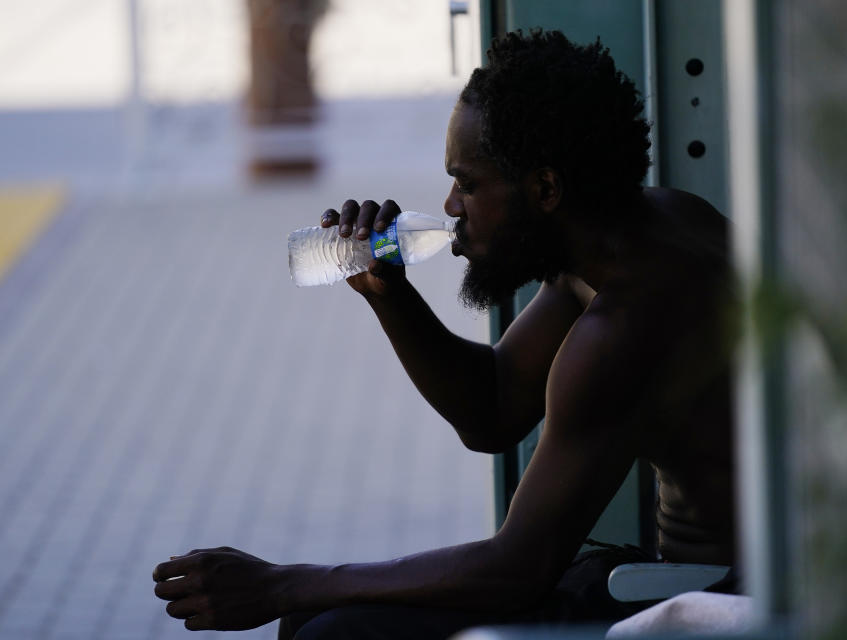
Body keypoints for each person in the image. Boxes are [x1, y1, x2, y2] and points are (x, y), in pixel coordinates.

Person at [152, 30, 738, 639]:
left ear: (544, 189)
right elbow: (494, 408)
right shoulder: (648, 224)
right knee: (315, 618)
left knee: (328, 632)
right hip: (677, 583)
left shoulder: (629, 324)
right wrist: (390, 295)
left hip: (715, 602)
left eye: (469, 182)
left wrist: (282, 583)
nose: (452, 205)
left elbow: (517, 568)